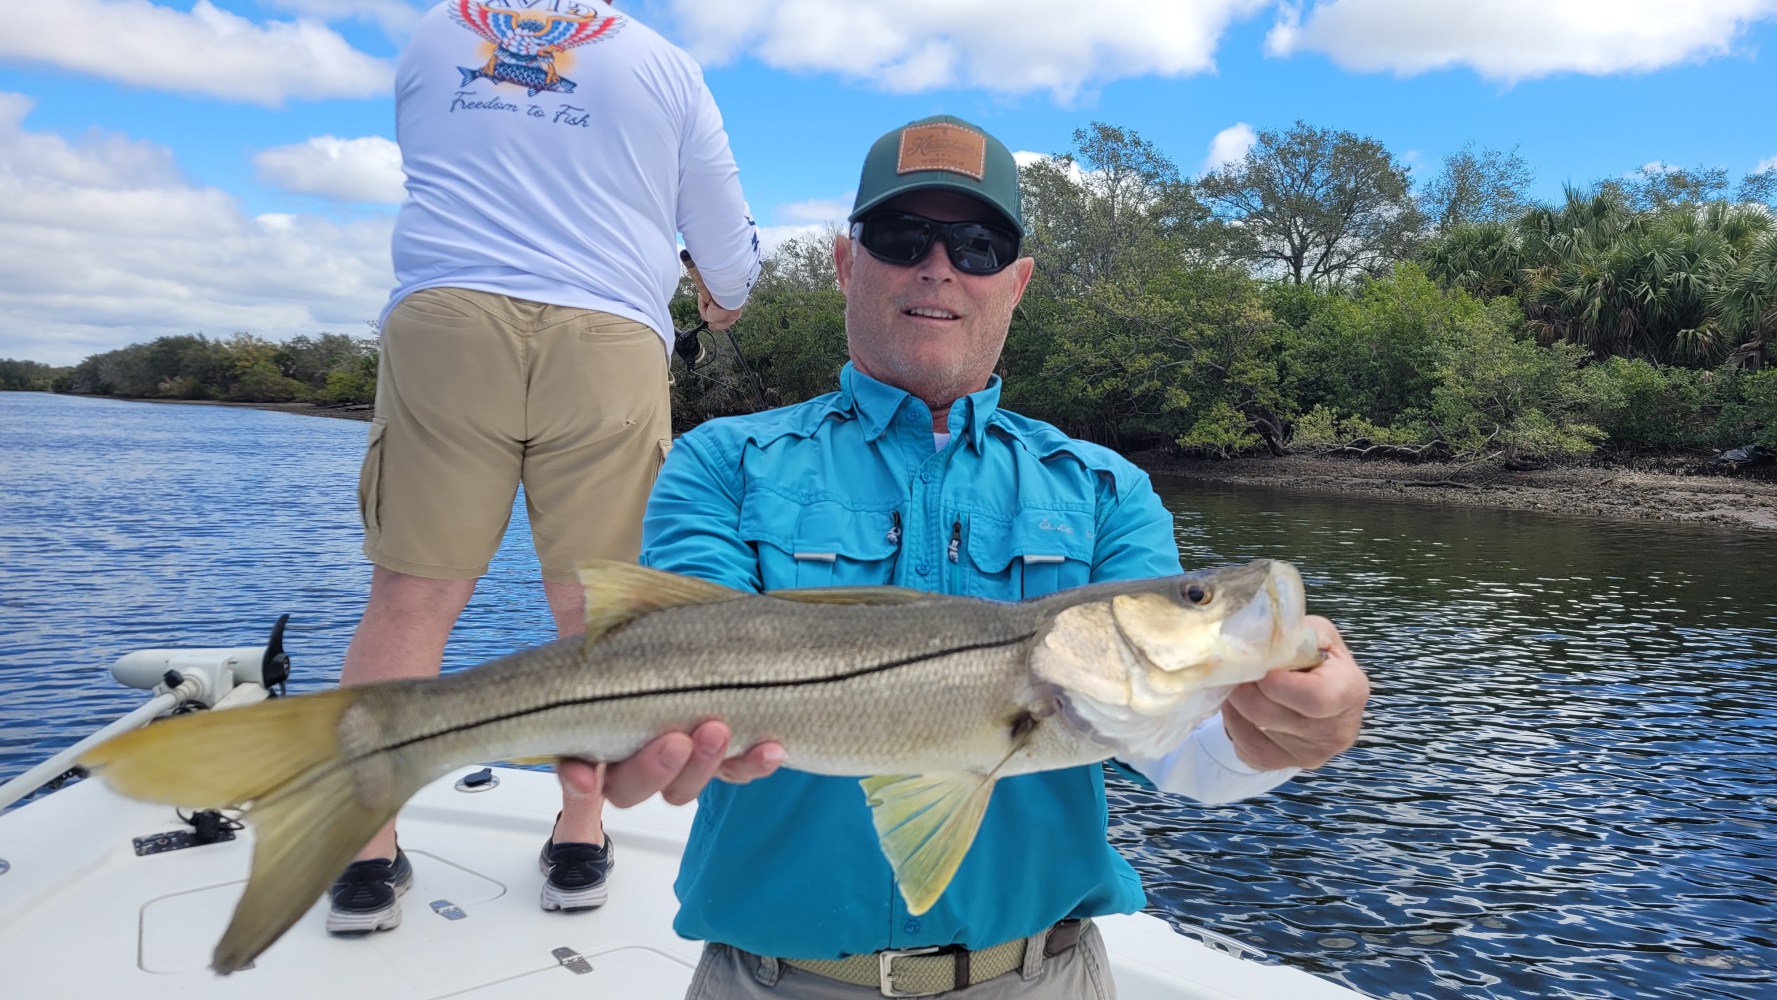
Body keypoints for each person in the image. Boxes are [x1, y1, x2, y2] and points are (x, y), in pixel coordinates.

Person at [578, 113, 1372, 998]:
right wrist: (650, 729)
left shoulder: (1105, 490)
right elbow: (683, 657)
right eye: (901, 235)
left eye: (978, 245)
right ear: (845, 262)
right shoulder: (721, 462)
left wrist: (1277, 738)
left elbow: (1176, 745)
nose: (938, 266)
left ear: (1016, 283)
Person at [328, 0, 763, 936]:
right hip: (608, 337)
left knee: (409, 599)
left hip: (445, 323)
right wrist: (719, 297)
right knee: (600, 610)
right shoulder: (663, 63)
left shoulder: (435, 34)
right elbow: (728, 255)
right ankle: (577, 838)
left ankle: (364, 855)